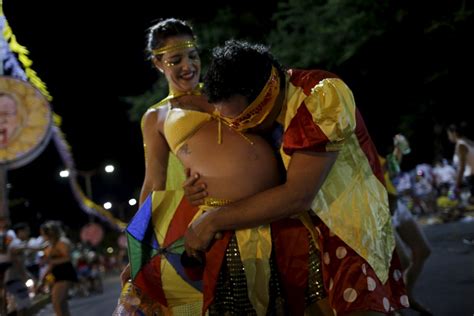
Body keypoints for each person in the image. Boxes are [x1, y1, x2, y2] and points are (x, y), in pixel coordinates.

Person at [183, 40, 408, 315]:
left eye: (241, 120)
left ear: (265, 96)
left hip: (350, 235)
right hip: (303, 240)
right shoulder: (268, 111)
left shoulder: (321, 95)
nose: (237, 130)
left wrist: (213, 220)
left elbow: (298, 195)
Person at [120, 18, 286, 315]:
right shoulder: (155, 117)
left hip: (278, 206)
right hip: (222, 225)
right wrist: (138, 250)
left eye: (193, 56)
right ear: (158, 64)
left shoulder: (222, 87)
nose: (188, 65)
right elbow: (154, 184)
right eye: (175, 60)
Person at [380, 135, 432, 315]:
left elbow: (390, 169)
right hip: (381, 208)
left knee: (422, 250)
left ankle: (406, 295)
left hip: (396, 203)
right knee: (401, 261)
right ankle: (391, 306)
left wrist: (399, 149)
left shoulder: (370, 144)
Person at [40, 220, 77, 316]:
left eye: (43, 233)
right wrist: (44, 276)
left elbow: (67, 258)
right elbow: (51, 263)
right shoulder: (50, 245)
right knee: (61, 303)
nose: (42, 236)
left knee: (57, 302)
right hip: (56, 274)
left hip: (65, 273)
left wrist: (50, 261)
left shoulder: (62, 242)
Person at [447, 122, 474, 205]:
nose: (448, 137)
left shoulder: (461, 145)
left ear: (454, 133)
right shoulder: (468, 142)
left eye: (449, 134)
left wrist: (456, 186)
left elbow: (461, 168)